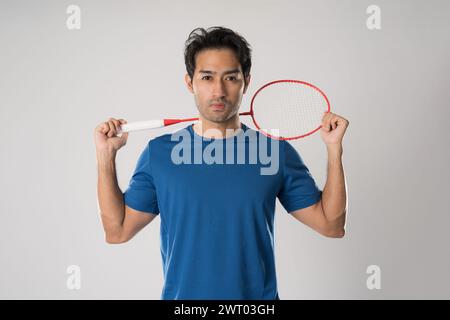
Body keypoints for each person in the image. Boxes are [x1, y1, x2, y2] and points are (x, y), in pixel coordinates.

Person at [94, 26, 349, 300]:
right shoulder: (159, 155)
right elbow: (117, 231)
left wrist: (334, 150)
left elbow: (330, 225)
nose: (219, 91)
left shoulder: (274, 152)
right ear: (190, 83)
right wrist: (106, 156)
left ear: (246, 82)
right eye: (207, 77)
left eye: (231, 78)